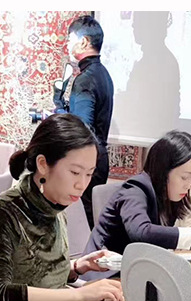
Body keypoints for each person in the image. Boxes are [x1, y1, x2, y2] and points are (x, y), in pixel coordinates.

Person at [0, 114, 122, 301]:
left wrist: (78, 266)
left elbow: (37, 273)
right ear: (43, 164)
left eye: (89, 174)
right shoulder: (3, 211)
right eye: (75, 172)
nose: (82, 184)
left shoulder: (55, 207)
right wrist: (79, 295)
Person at [84, 131, 191, 257]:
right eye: (184, 178)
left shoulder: (168, 196)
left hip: (136, 265)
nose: (188, 185)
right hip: (103, 266)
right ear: (163, 170)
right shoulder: (135, 188)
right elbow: (141, 232)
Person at [56, 15, 113, 227]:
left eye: (70, 39)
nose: (67, 44)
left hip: (86, 162)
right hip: (97, 159)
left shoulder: (86, 79)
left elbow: (81, 130)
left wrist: (59, 110)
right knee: (89, 219)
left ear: (84, 41)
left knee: (81, 223)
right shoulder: (103, 74)